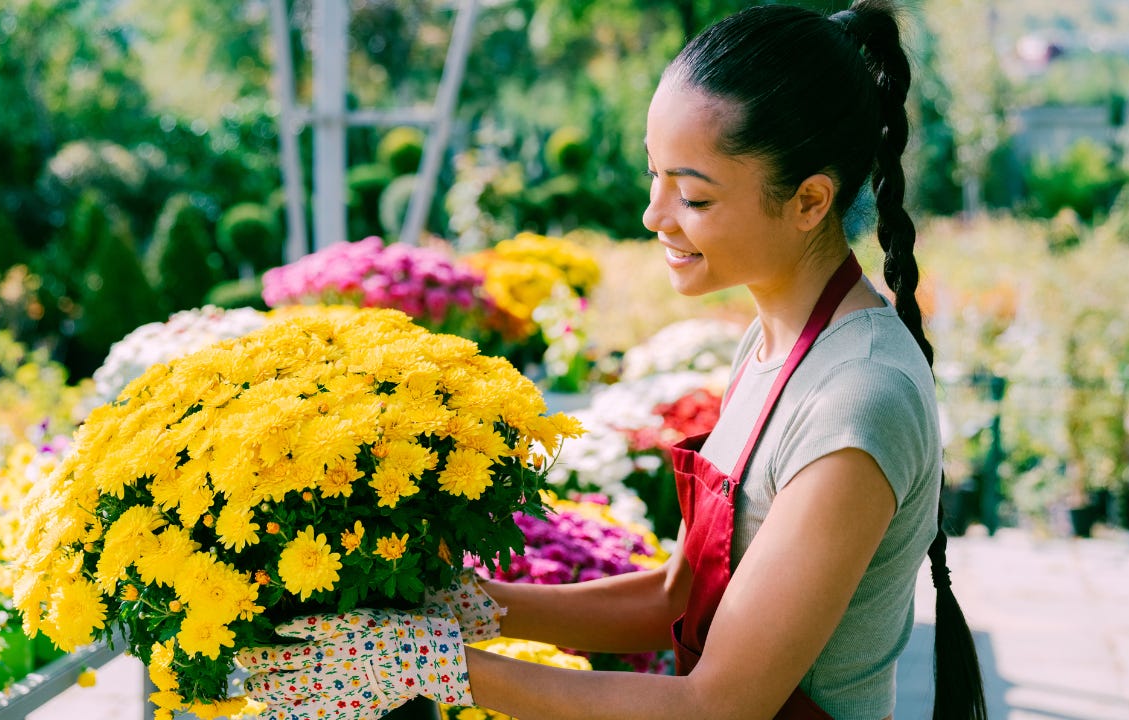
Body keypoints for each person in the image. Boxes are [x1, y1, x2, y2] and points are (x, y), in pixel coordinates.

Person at [236, 2, 988, 718]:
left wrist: (434, 666)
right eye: (654, 174)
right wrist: (476, 607)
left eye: (693, 196)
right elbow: (674, 599)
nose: (653, 215)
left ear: (810, 201)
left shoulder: (859, 399)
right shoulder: (771, 346)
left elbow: (719, 706)